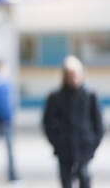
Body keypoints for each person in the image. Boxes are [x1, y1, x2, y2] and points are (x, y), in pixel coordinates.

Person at [43, 56, 104, 188]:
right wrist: (57, 141)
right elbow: (47, 123)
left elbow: (99, 124)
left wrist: (93, 143)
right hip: (64, 147)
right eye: (70, 75)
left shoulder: (90, 96)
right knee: (65, 181)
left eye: (76, 75)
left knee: (85, 177)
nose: (74, 79)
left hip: (84, 147)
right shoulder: (56, 97)